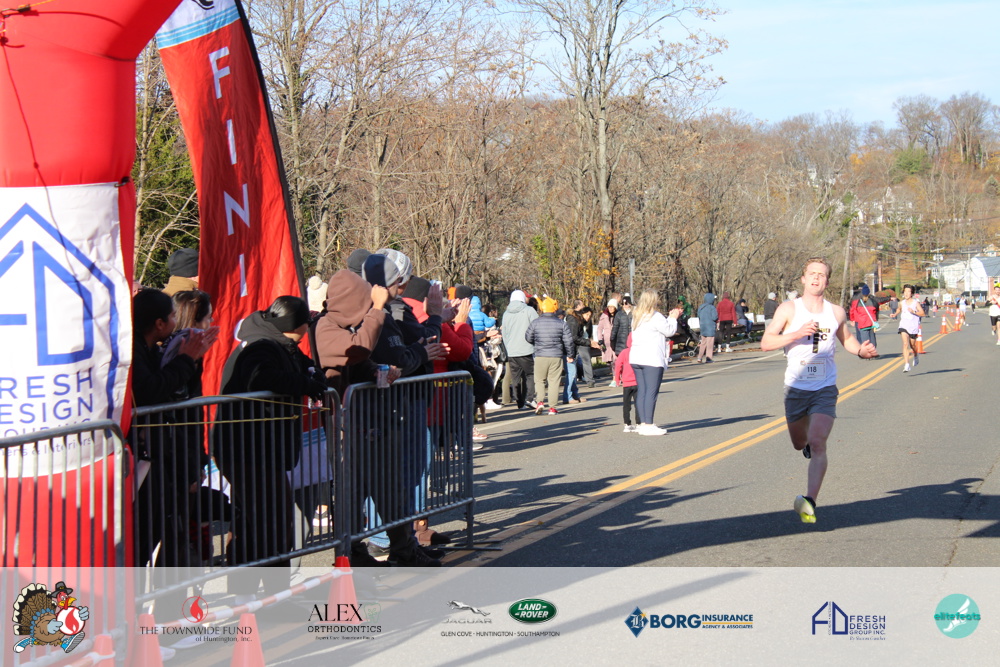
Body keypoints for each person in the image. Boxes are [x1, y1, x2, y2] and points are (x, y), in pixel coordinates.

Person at [214, 296, 327, 599]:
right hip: (248, 448)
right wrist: (306, 385)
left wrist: (312, 376)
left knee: (264, 522)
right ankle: (261, 595)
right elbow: (261, 378)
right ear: (297, 325)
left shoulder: (279, 343)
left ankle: (260, 595)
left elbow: (305, 368)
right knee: (267, 523)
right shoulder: (261, 345)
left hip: (260, 448)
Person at [760, 257, 877, 524]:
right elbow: (766, 342)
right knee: (799, 442)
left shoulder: (835, 312)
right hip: (796, 388)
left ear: (827, 281)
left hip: (825, 387)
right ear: (803, 279)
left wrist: (861, 351)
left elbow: (847, 339)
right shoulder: (789, 309)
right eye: (812, 274)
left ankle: (810, 500)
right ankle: (806, 446)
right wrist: (797, 333)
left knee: (818, 441)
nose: (816, 278)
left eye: (821, 275)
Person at [628, 290, 682, 436]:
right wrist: (673, 318)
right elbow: (669, 331)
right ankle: (648, 424)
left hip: (636, 357)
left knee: (642, 391)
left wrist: (669, 318)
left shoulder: (637, 316)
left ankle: (642, 423)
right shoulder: (655, 316)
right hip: (651, 358)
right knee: (651, 392)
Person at [525, 297, 574, 415]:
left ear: (542, 309)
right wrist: (570, 354)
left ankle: (540, 402)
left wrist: (537, 343)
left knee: (539, 380)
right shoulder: (561, 323)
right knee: (554, 381)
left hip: (540, 355)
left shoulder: (535, 322)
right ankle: (552, 407)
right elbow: (568, 341)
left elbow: (528, 337)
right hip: (556, 356)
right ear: (554, 309)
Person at [502, 290, 538, 408]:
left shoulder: (506, 313)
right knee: (531, 374)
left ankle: (519, 402)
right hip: (526, 348)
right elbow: (536, 327)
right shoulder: (529, 310)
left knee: (515, 377)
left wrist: (508, 347)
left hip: (512, 350)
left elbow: (504, 333)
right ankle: (530, 399)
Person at [614, 333, 638, 432]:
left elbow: (618, 365)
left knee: (626, 405)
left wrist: (617, 379)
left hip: (627, 382)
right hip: (637, 382)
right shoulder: (639, 351)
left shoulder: (624, 352)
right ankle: (639, 423)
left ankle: (627, 424)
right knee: (638, 404)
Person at [898, 285, 925, 372]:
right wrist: (895, 314)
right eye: (905, 291)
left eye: (908, 291)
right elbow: (899, 309)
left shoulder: (915, 303)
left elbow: (922, 313)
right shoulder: (901, 303)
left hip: (913, 326)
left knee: (912, 345)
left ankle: (916, 355)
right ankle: (906, 365)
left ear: (912, 293)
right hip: (903, 325)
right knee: (905, 344)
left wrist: (913, 311)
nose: (906, 293)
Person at [848, 284, 879, 353]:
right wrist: (875, 319)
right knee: (872, 338)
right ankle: (873, 350)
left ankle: (866, 352)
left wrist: (852, 319)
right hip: (871, 322)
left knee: (864, 339)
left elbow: (852, 310)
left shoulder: (857, 301)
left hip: (862, 323)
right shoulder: (873, 301)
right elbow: (876, 310)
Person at [598, 297, 619, 385]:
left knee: (615, 360)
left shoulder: (619, 316)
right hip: (606, 342)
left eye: (612, 307)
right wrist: (600, 339)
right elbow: (599, 328)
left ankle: (615, 378)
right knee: (609, 362)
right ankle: (616, 376)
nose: (610, 308)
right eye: (609, 307)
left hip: (616, 341)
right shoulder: (604, 316)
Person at [696, 293, 717, 364]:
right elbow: (714, 317)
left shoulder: (701, 307)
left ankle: (699, 357)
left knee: (703, 343)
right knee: (710, 343)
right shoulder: (712, 308)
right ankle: (708, 358)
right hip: (710, 327)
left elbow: (698, 315)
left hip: (703, 326)